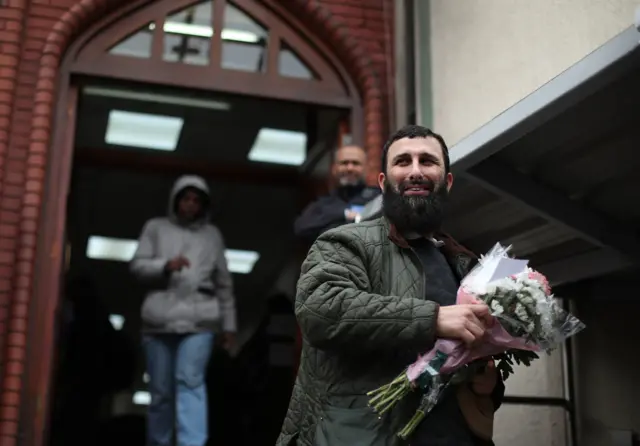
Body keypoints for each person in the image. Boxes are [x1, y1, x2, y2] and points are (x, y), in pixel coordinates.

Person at [277, 125, 505, 446]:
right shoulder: (344, 242)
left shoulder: (465, 264)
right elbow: (321, 311)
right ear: (383, 183)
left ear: (447, 182)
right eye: (402, 162)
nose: (415, 171)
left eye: (427, 161)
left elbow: (469, 358)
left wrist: (486, 385)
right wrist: (434, 319)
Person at [130, 175, 236, 446]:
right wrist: (165, 265)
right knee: (161, 391)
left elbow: (224, 283)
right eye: (186, 199)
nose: (190, 205)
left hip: (200, 320)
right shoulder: (155, 228)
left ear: (203, 205)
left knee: (190, 381)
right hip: (158, 320)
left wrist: (229, 326)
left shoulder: (212, 236)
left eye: (196, 200)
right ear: (176, 200)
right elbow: (137, 266)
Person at [294, 145, 380, 242]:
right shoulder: (324, 203)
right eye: (344, 163)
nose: (350, 168)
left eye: (356, 163)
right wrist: (344, 214)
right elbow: (301, 228)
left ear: (366, 168)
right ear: (334, 168)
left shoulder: (377, 197)